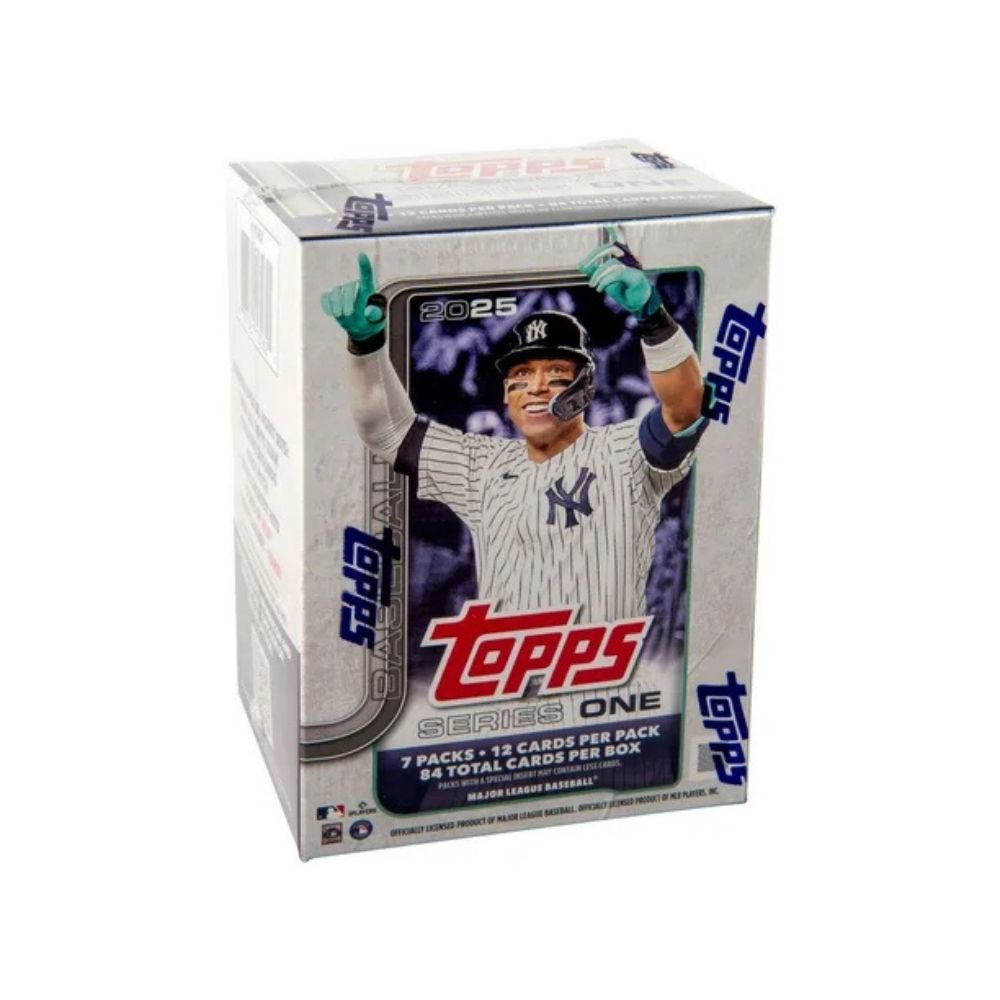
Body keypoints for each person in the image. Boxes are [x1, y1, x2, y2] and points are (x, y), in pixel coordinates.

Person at [322, 232, 707, 624]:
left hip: (604, 659)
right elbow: (387, 432)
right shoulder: (481, 463)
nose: (536, 387)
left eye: (556, 372)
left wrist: (653, 317)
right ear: (506, 393)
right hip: (508, 660)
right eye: (521, 374)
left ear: (585, 386)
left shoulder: (622, 452)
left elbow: (685, 410)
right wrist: (366, 346)